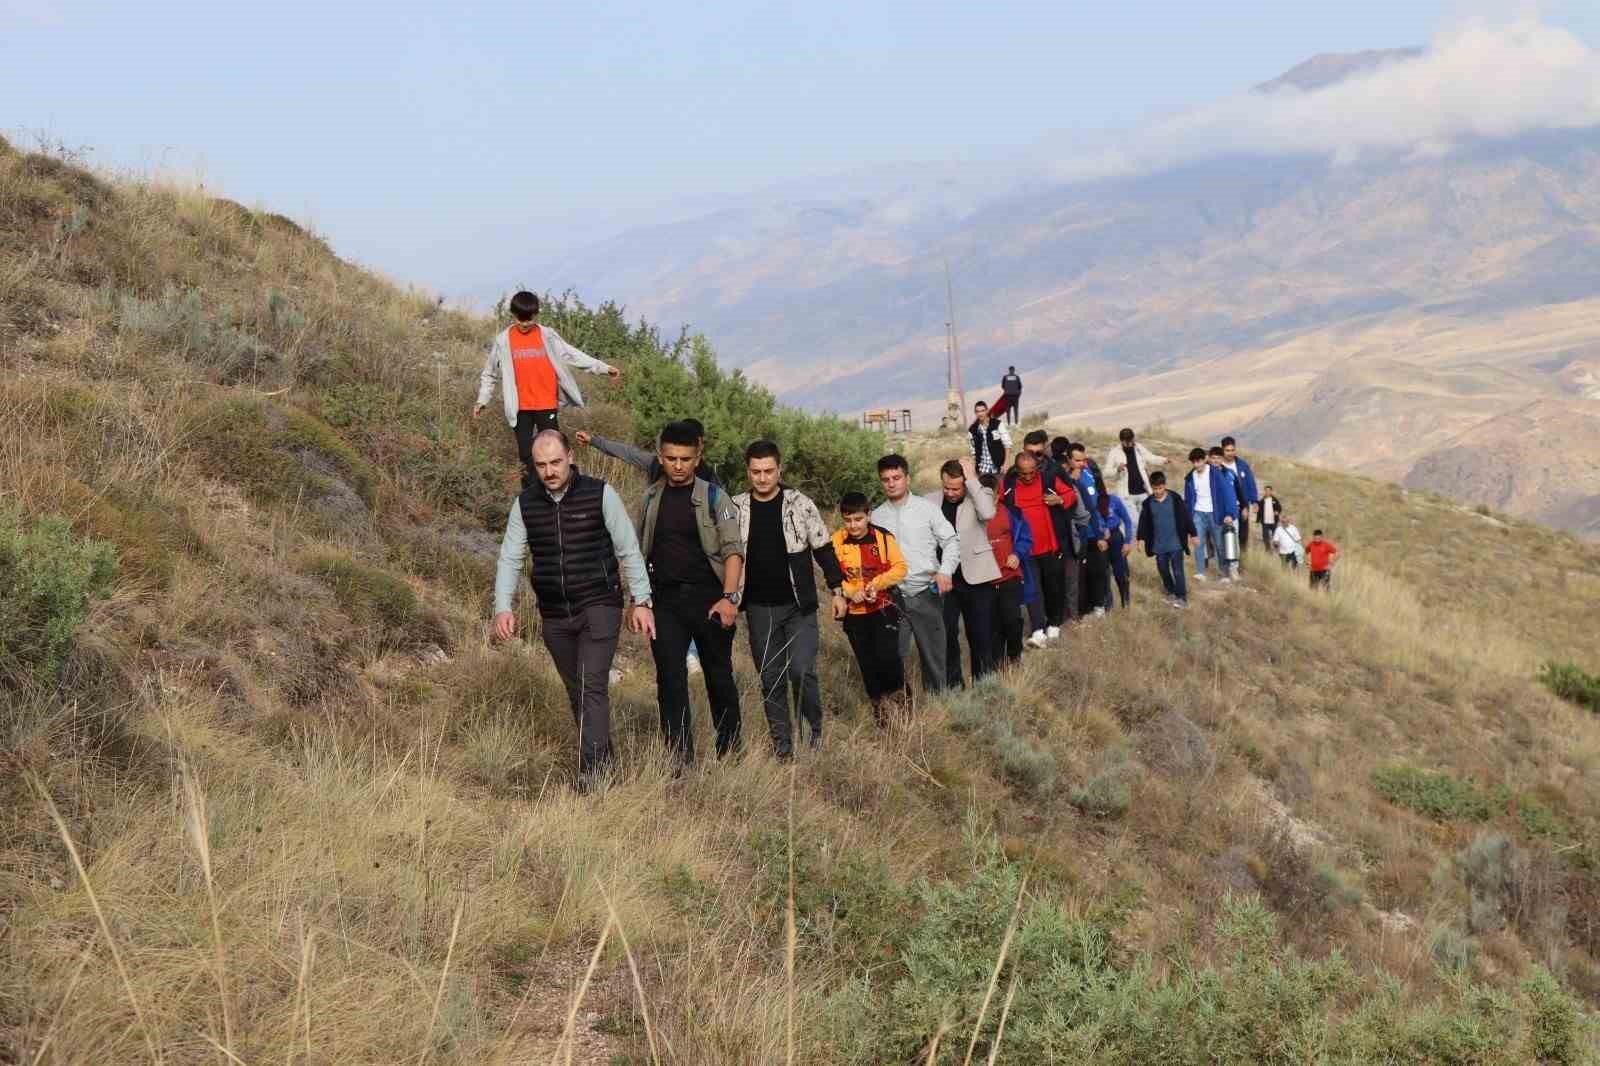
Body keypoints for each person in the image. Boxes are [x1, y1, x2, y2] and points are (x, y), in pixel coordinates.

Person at [492, 430, 655, 784]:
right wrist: (503, 606)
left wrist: (641, 600)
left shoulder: (600, 494)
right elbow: (510, 558)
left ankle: (592, 776)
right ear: (533, 467)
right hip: (554, 613)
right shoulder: (525, 505)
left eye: (555, 462)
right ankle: (606, 765)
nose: (549, 471)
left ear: (569, 457)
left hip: (599, 605)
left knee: (590, 685)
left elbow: (628, 549)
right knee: (577, 693)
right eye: (541, 465)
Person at [635, 421, 745, 765]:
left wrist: (728, 599)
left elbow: (733, 551)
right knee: (669, 678)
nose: (678, 466)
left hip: (709, 600)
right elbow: (639, 551)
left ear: (697, 458)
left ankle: (730, 752)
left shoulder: (715, 497)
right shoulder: (651, 498)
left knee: (718, 676)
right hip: (665, 603)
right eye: (671, 458)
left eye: (685, 459)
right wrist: (638, 600)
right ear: (660, 457)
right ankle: (679, 758)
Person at [731, 440, 846, 758]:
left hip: (799, 607)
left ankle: (813, 735)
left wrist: (837, 591)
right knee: (770, 677)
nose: (763, 478)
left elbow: (823, 548)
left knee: (801, 670)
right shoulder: (736, 507)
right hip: (758, 609)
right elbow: (723, 554)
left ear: (779, 470)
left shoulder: (799, 503)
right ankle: (782, 746)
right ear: (748, 472)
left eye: (769, 471)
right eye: (756, 472)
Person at [474, 291, 621, 480]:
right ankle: (533, 498)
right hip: (520, 407)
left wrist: (603, 368)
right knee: (527, 456)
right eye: (521, 319)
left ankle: (562, 490)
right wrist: (482, 400)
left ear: (535, 315)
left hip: (546, 404)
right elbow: (489, 373)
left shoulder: (547, 335)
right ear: (513, 315)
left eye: (529, 319)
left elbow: (572, 354)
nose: (525, 323)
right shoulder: (503, 340)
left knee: (552, 452)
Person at [871, 455, 958, 694]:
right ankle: (901, 709)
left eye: (896, 477)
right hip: (891, 598)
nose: (891, 483)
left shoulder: (927, 510)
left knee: (934, 658)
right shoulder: (876, 517)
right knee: (892, 657)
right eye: (886, 479)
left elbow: (951, 541)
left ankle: (938, 708)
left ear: (907, 478)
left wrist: (945, 571)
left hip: (925, 593)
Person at [832, 492, 909, 723]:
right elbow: (833, 575)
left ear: (868, 515)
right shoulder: (836, 541)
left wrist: (876, 584)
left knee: (888, 657)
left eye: (858, 519)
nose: (853, 525)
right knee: (867, 663)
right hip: (855, 615)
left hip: (882, 608)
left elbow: (900, 568)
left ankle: (902, 704)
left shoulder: (883, 538)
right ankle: (880, 711)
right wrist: (848, 591)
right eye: (848, 520)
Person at [927, 457, 998, 687]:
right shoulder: (929, 501)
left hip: (976, 578)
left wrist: (973, 481)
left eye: (956, 488)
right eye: (946, 487)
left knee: (981, 636)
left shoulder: (980, 495)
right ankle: (954, 685)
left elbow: (988, 513)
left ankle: (984, 685)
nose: (950, 493)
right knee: (947, 635)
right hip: (945, 579)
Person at [1002, 443, 1077, 646]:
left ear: (1037, 468)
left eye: (1031, 472)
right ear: (1016, 470)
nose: (1028, 477)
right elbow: (996, 505)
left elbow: (1071, 495)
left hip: (1050, 546)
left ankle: (1054, 623)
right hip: (1026, 550)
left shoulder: (1048, 480)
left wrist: (1059, 499)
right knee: (1032, 589)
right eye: (1023, 473)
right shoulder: (1009, 487)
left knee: (1053, 586)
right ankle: (1037, 629)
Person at [979, 472, 1034, 666]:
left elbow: (1026, 538)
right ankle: (998, 664)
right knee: (993, 625)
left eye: (992, 498)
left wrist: (1017, 554)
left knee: (1012, 619)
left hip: (1009, 576)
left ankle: (1015, 656)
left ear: (997, 495)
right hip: (984, 581)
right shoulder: (970, 517)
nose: (988, 503)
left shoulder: (1011, 513)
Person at [575, 419, 720, 486]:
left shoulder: (709, 478)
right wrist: (593, 440)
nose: (678, 466)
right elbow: (627, 453)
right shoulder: (656, 463)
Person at [1135, 470, 1198, 607]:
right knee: (1163, 570)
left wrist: (1193, 534)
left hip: (1176, 543)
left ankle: (1182, 598)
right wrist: (1140, 538)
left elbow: (1186, 517)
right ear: (1151, 487)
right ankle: (1171, 592)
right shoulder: (1148, 503)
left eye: (1160, 488)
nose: (1157, 491)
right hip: (1159, 545)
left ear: (1165, 485)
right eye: (1155, 488)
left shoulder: (1175, 499)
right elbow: (1143, 522)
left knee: (1178, 571)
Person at [1066, 443, 1110, 618]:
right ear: (1069, 460)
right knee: (1081, 575)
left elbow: (1098, 503)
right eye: (1077, 460)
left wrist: (1103, 526)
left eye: (1083, 459)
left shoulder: (1090, 474)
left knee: (1099, 571)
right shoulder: (1065, 480)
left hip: (1097, 532)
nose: (1082, 463)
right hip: (1080, 534)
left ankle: (1099, 607)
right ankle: (1081, 611)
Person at [1184, 446, 1239, 583]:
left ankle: (1224, 574)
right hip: (1198, 513)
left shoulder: (1215, 473)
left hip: (1215, 514)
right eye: (1194, 462)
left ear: (1205, 460)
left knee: (1219, 544)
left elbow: (1228, 494)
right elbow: (1188, 499)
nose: (1197, 465)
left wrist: (1229, 514)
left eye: (1199, 461)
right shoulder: (1190, 477)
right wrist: (1188, 517)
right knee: (1198, 543)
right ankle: (1200, 572)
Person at [1104, 428, 1168, 524]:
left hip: (1143, 492)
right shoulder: (1114, 453)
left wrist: (1163, 460)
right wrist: (1117, 469)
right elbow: (1106, 473)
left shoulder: (1138, 448)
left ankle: (1146, 539)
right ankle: (1134, 539)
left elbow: (1150, 457)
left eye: (1131, 440)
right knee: (1135, 523)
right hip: (1127, 495)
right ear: (1122, 441)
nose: (1130, 444)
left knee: (1148, 522)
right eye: (1127, 442)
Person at [1220, 437, 1260, 561]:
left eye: (1232, 450)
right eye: (1227, 450)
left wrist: (1253, 501)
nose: (1230, 453)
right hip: (1224, 506)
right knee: (1226, 534)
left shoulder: (1242, 465)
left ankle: (1242, 561)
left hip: (1242, 505)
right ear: (1223, 450)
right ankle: (1227, 561)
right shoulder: (1218, 465)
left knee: (1242, 535)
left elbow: (1250, 483)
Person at [1101, 474, 1136, 609]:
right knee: (1103, 573)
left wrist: (1127, 541)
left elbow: (1127, 520)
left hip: (1116, 538)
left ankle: (1125, 602)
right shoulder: (1092, 501)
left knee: (1120, 571)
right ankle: (1107, 605)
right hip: (1101, 539)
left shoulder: (1115, 500)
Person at [969, 401, 1011, 477]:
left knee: (1000, 488)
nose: (980, 413)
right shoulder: (972, 430)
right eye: (977, 411)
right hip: (983, 469)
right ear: (975, 413)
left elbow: (1007, 445)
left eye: (982, 411)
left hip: (998, 467)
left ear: (987, 411)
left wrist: (1006, 463)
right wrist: (974, 469)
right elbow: (973, 452)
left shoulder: (997, 424)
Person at [1256, 484, 1284, 552]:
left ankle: (1276, 548)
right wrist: (1257, 521)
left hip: (1273, 521)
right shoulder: (1261, 501)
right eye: (1266, 491)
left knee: (1275, 535)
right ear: (1264, 492)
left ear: (1271, 492)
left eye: (1269, 491)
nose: (1267, 492)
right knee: (1265, 536)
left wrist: (1277, 512)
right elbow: (1259, 512)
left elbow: (1279, 508)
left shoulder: (1274, 500)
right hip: (1265, 521)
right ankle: (1267, 549)